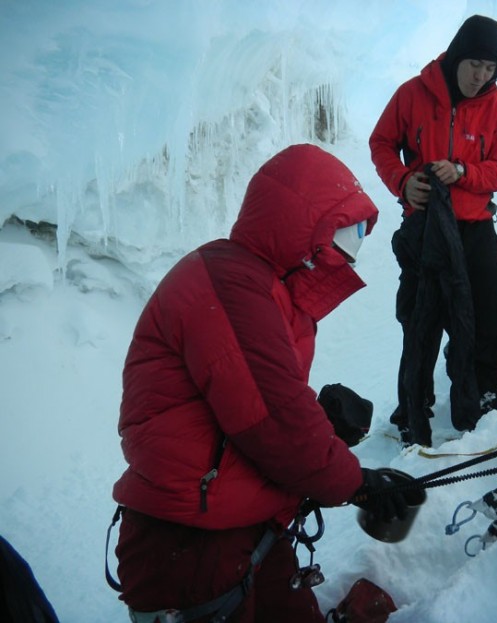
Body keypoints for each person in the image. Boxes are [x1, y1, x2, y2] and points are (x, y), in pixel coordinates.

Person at [111, 144, 408, 623]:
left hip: (241, 525)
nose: (345, 254)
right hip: (188, 542)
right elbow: (273, 419)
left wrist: (322, 425)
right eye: (342, 234)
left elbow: (253, 400)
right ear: (300, 226)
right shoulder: (231, 283)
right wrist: (356, 483)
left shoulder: (265, 289)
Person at [369, 15, 497, 444]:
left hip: (474, 229)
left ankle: (484, 402)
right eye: (474, 64)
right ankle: (411, 413)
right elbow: (381, 143)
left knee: (487, 316)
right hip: (425, 229)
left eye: (490, 68)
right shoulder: (413, 94)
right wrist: (402, 181)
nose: (480, 76)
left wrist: (463, 172)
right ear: (457, 56)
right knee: (421, 320)